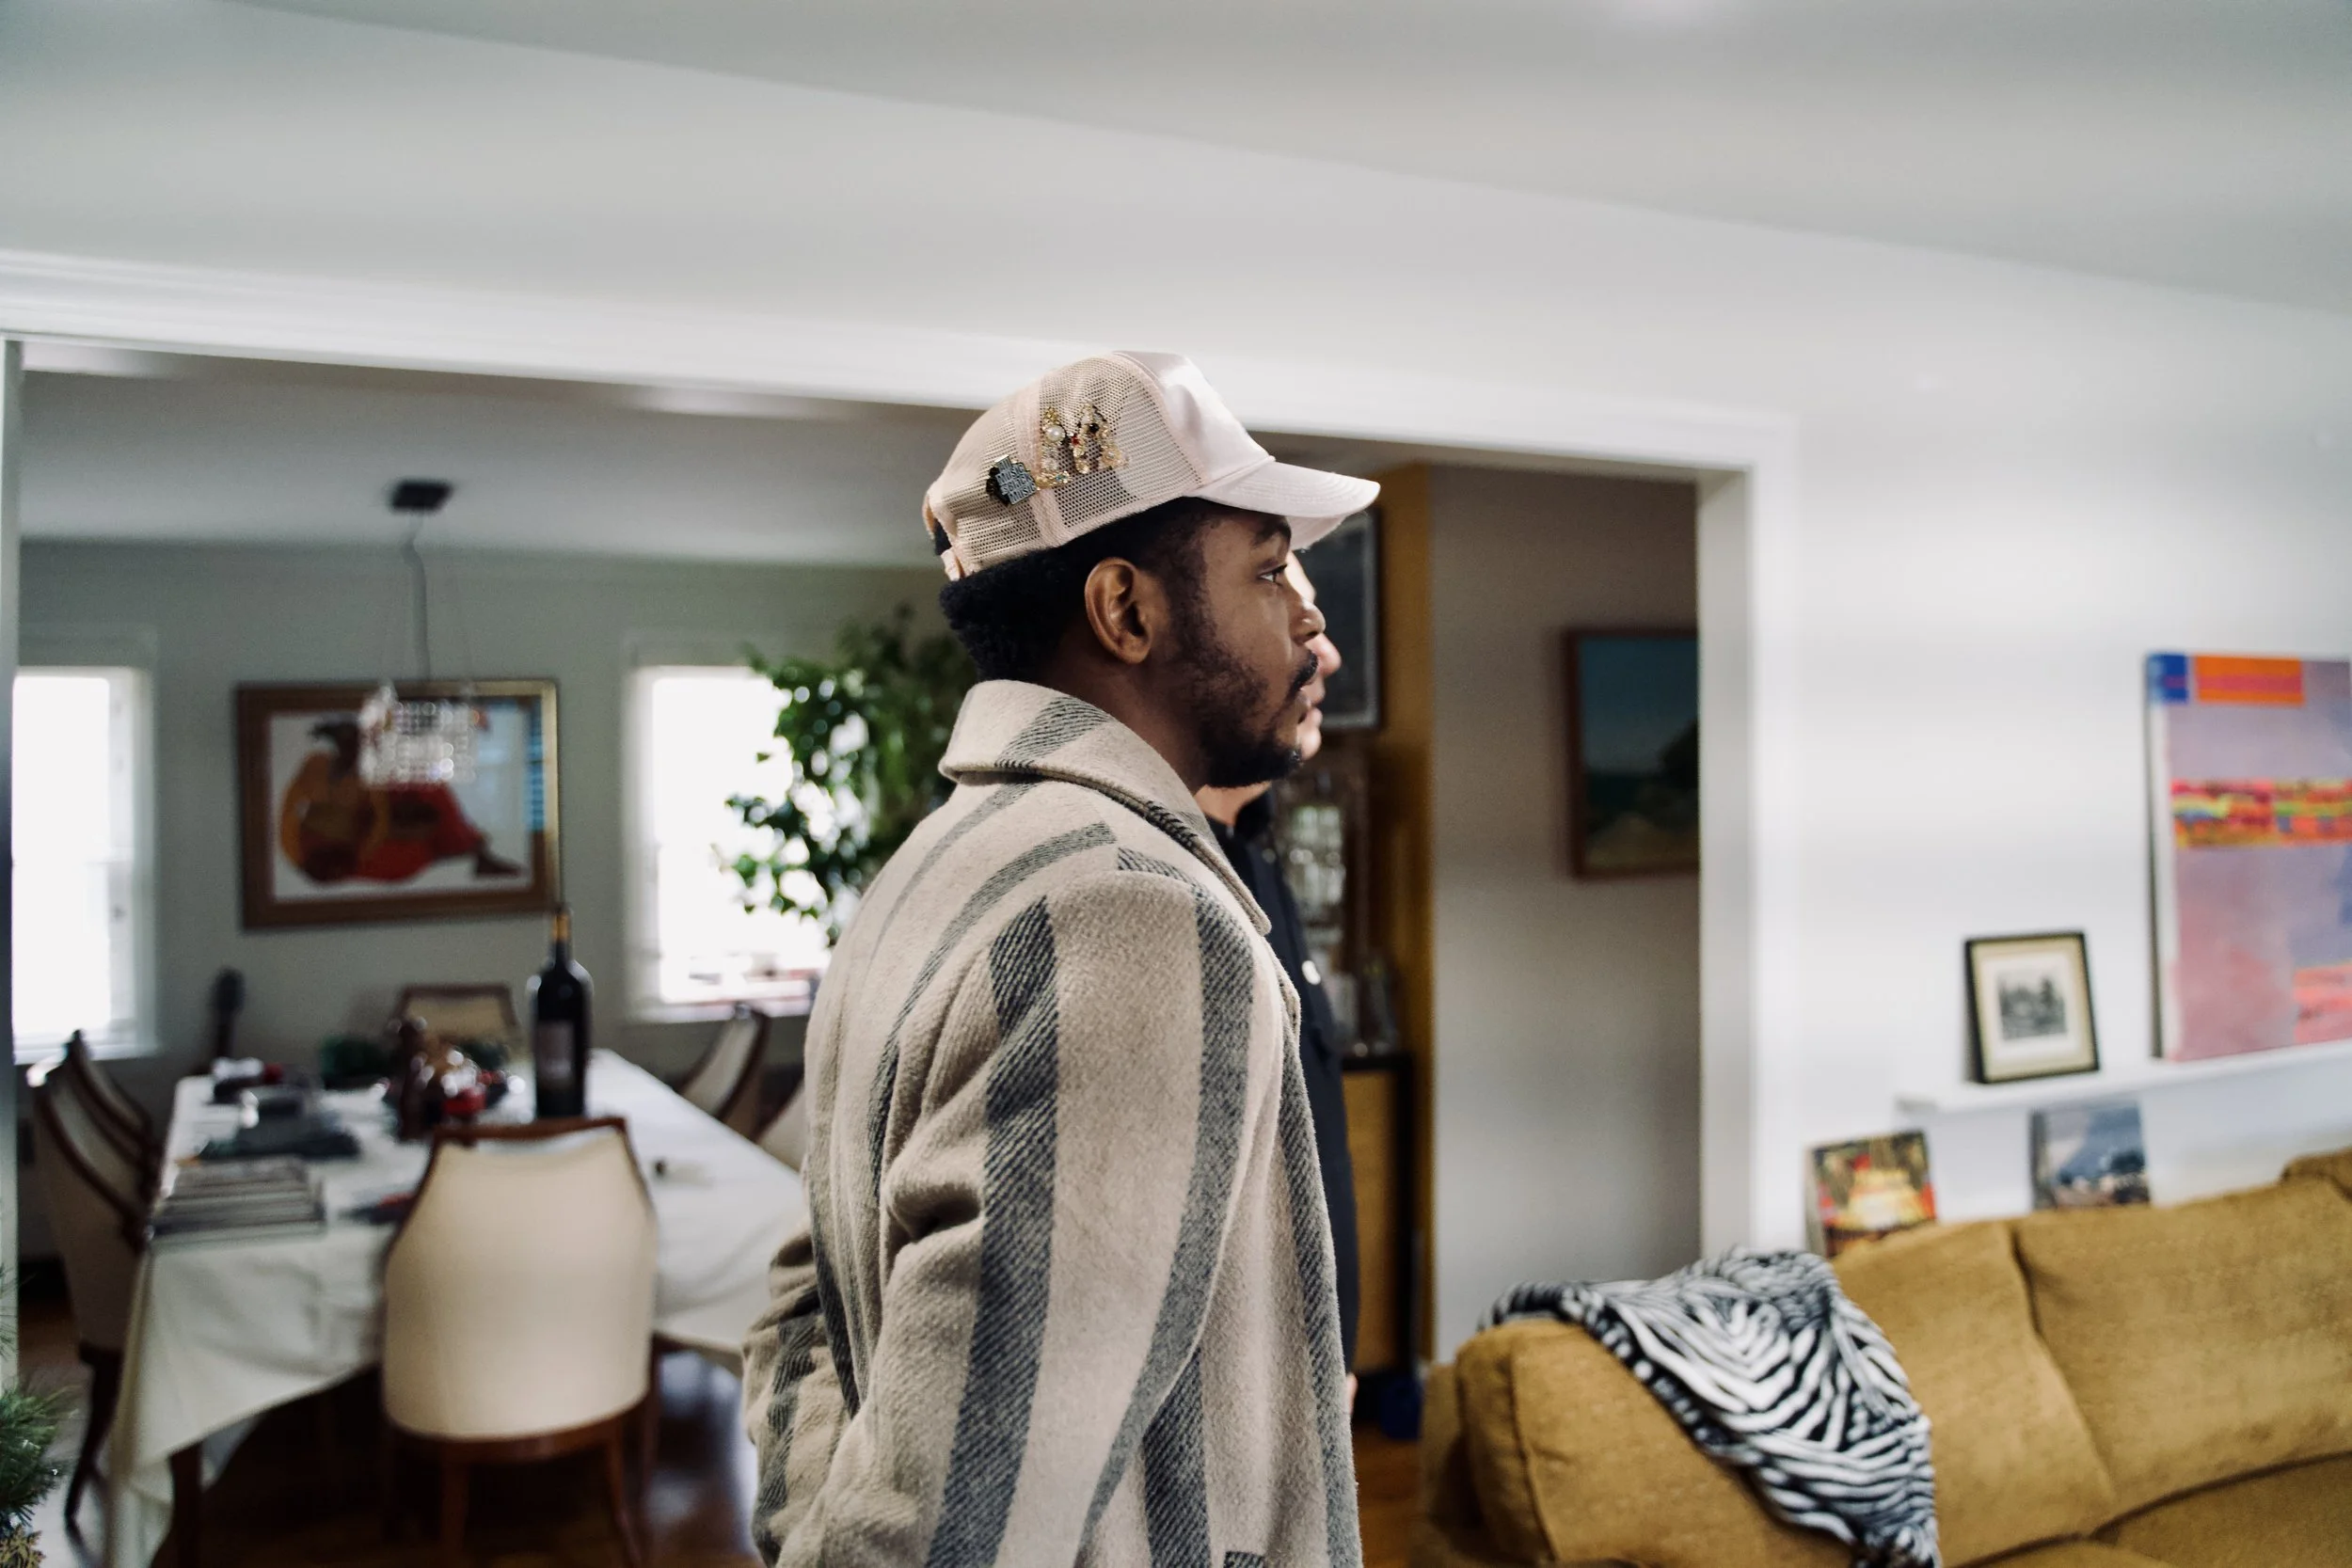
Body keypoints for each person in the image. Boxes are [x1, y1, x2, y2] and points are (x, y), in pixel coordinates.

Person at [741, 351, 1378, 1567]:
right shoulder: (1138, 915)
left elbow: (802, 1304)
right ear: (1127, 609)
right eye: (1268, 563)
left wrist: (807, 1524)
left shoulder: (921, 872)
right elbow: (954, 1533)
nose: (1308, 611)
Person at [1194, 560, 1360, 1401]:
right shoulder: (1165, 889)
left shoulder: (1254, 848)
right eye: (1279, 601)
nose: (1326, 655)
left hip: (1315, 1392)